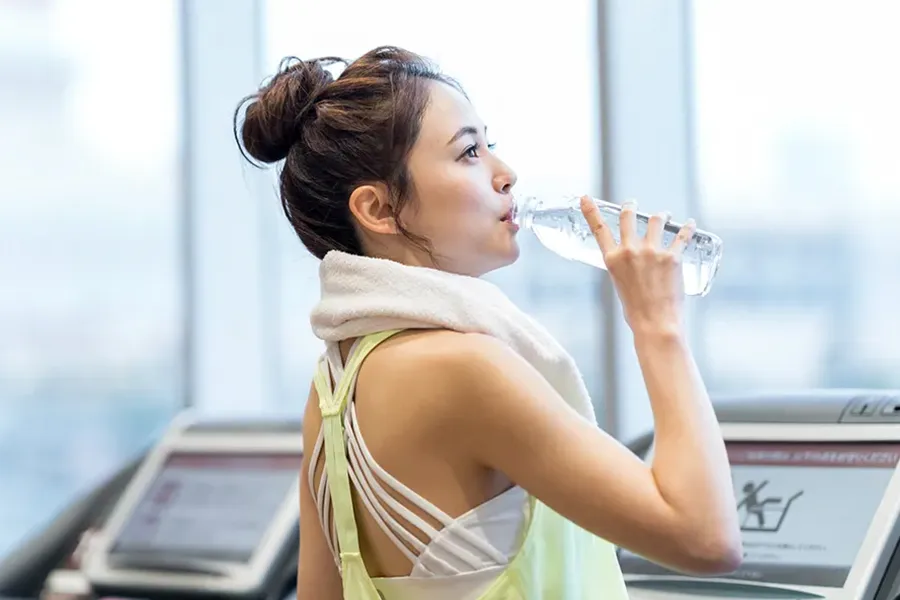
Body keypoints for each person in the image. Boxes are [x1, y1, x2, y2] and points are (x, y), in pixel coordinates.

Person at [235, 46, 742, 600]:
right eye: (469, 152)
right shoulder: (465, 368)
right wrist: (658, 326)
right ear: (379, 210)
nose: (506, 175)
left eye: (488, 146)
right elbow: (704, 537)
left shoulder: (332, 390)